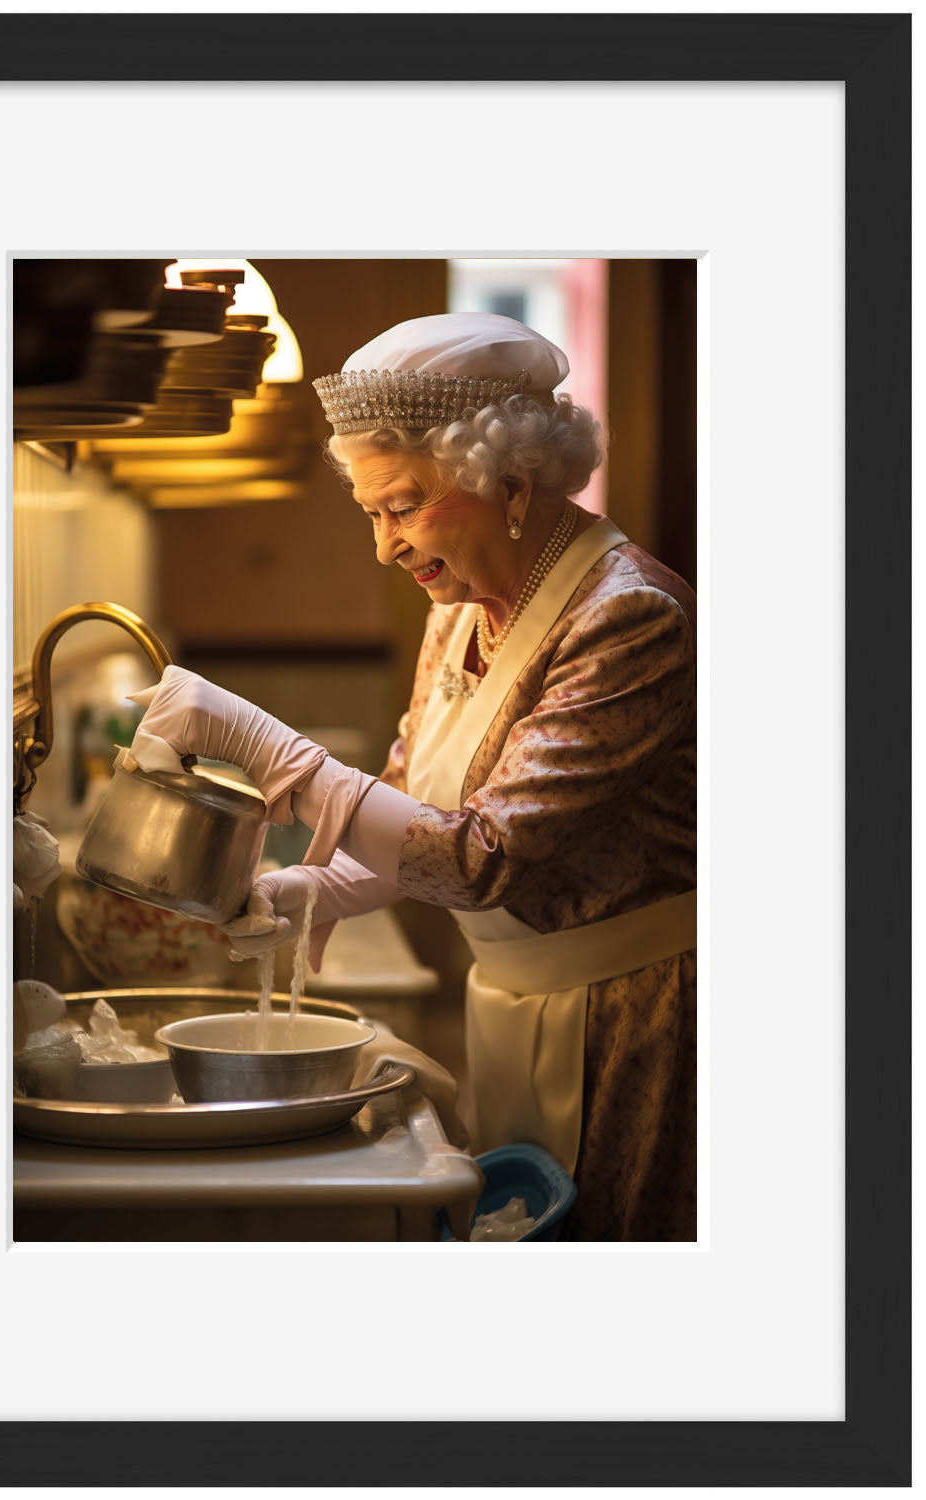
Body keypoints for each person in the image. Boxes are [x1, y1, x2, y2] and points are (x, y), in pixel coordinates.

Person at [129, 312, 696, 1241]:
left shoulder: (628, 619)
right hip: (512, 1003)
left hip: (638, 1024)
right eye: (371, 514)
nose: (385, 547)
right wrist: (321, 889)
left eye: (402, 507)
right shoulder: (464, 604)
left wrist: (275, 750)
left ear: (510, 482)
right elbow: (415, 807)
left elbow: (480, 859)